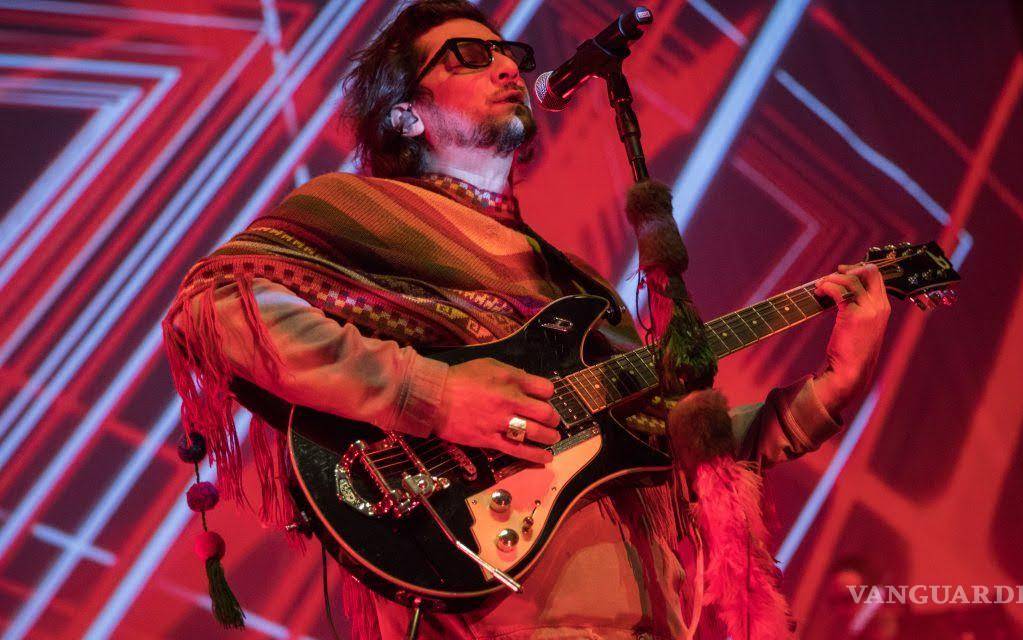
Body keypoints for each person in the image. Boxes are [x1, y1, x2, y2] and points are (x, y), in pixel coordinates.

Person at [163, 1, 891, 638]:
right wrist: (434, 394)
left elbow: (665, 449)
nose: (509, 66)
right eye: (469, 56)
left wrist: (833, 384)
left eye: (509, 53)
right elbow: (216, 309)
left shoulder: (573, 285)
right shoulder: (355, 211)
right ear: (405, 113)